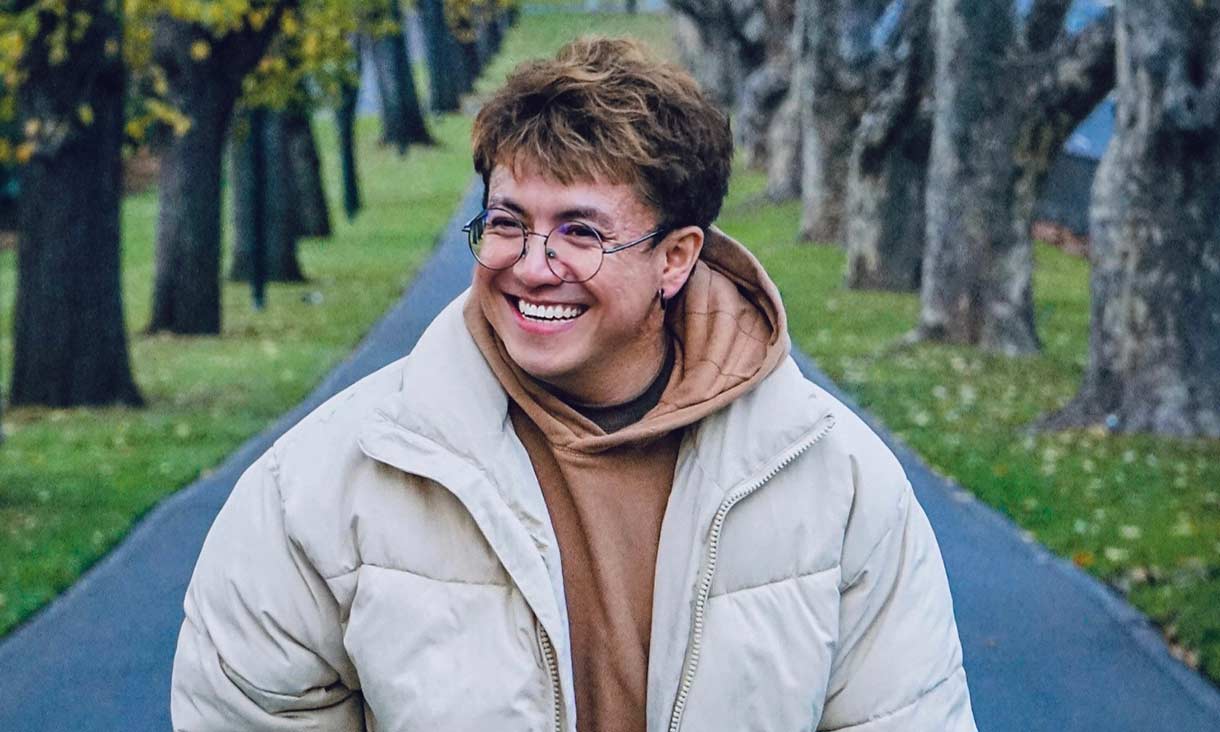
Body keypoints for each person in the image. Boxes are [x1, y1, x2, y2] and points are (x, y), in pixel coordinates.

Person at [171, 36, 977, 732]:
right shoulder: (320, 485)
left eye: (580, 232)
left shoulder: (834, 481)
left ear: (676, 256)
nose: (531, 265)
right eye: (507, 221)